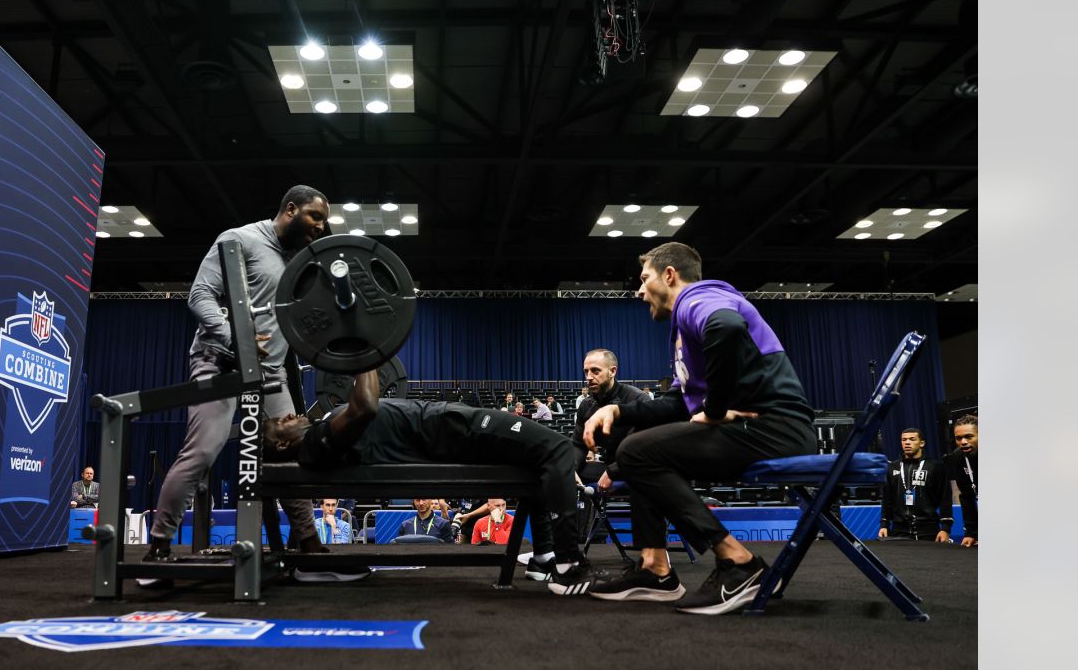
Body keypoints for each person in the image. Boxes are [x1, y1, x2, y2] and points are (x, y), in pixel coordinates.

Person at [577, 242, 817, 614]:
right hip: (763, 430)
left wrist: (716, 409)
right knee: (641, 448)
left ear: (669, 275)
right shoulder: (684, 328)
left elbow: (727, 326)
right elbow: (676, 404)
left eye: (645, 279)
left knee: (637, 452)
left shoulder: (698, 298)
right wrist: (617, 411)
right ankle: (655, 569)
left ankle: (739, 563)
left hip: (776, 428)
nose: (639, 291)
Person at [261, 369, 597, 594]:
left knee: (537, 456)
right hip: (456, 432)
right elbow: (364, 405)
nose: (288, 416)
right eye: (280, 423)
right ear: (281, 444)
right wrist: (367, 352)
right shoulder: (318, 442)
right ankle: (566, 567)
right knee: (557, 448)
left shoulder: (321, 435)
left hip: (450, 428)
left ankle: (543, 558)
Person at [144, 185, 330, 564]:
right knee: (204, 449)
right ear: (290, 209)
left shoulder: (298, 262)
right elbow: (199, 297)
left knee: (292, 451)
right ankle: (159, 544)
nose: (321, 227)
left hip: (271, 373)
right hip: (221, 361)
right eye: (316, 217)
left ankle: (308, 543)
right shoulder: (239, 239)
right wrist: (238, 341)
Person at [572, 349, 647, 485]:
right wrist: (571, 469)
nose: (588, 377)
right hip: (609, 465)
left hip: (638, 467)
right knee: (558, 473)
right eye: (586, 371)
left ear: (612, 371)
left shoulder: (638, 399)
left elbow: (641, 449)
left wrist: (613, 471)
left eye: (595, 371)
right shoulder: (586, 405)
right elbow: (578, 445)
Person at [878, 428, 952, 542]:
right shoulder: (893, 467)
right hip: (899, 531)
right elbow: (887, 499)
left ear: (921, 443)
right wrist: (884, 524)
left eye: (912, 439)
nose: (907, 442)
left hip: (929, 530)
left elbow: (945, 499)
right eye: (904, 440)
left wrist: (945, 528)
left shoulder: (935, 466)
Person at [945, 414, 978, 547]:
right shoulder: (958, 457)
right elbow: (967, 497)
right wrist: (970, 533)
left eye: (969, 436)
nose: (963, 442)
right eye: (959, 438)